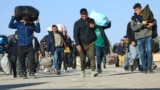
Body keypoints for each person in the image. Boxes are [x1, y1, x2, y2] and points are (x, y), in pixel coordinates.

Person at [8, 14, 41, 79]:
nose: (25, 22)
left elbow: (38, 30)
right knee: (21, 60)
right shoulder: (18, 24)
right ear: (22, 19)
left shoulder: (31, 25)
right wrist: (13, 17)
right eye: (24, 20)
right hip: (21, 45)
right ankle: (24, 73)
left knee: (31, 59)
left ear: (29, 20)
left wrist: (37, 22)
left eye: (27, 21)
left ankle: (31, 73)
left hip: (29, 45)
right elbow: (10, 25)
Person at [131, 3, 156, 73]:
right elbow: (133, 28)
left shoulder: (147, 14)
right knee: (142, 53)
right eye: (135, 10)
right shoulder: (133, 18)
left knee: (149, 51)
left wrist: (152, 24)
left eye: (137, 10)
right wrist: (142, 24)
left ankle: (149, 67)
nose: (136, 12)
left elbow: (155, 21)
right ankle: (144, 67)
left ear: (140, 9)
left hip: (148, 36)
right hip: (139, 38)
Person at [73, 8, 98, 77]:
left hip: (91, 42)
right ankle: (82, 71)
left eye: (85, 15)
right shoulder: (77, 23)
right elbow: (75, 35)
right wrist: (78, 44)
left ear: (87, 14)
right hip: (82, 43)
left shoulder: (91, 20)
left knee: (92, 56)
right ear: (80, 15)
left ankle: (93, 71)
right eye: (83, 16)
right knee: (82, 58)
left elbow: (95, 28)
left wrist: (93, 26)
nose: (84, 17)